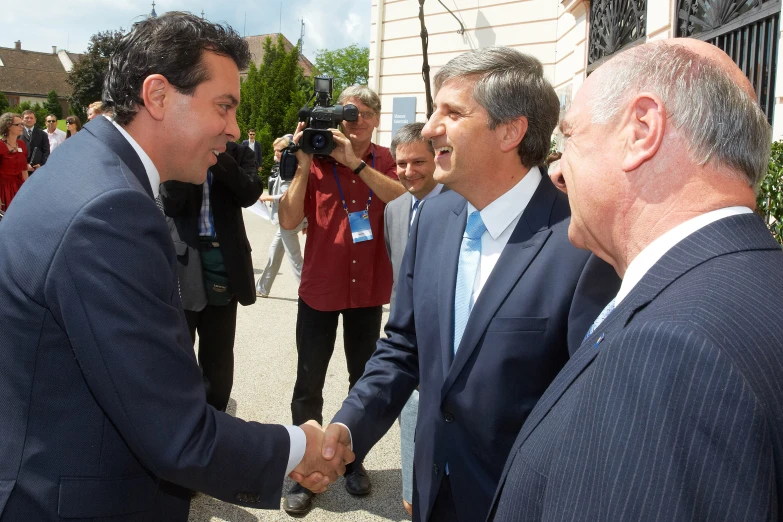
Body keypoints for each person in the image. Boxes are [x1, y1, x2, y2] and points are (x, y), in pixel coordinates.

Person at [0, 12, 351, 520]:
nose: (233, 130)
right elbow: (176, 431)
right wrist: (299, 447)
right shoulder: (109, 210)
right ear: (159, 95)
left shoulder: (87, 169)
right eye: (224, 107)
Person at [318, 47, 619, 522]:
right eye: (435, 109)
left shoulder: (582, 242)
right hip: (431, 491)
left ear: (511, 130)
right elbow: (403, 346)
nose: (431, 126)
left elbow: (594, 411)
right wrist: (348, 427)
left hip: (518, 503)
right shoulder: (433, 216)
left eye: (452, 112)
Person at [487, 39, 783, 521]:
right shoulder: (757, 284)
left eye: (569, 140)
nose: (557, 172)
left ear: (642, 129)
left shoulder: (669, 349)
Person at [277, 84, 406, 514]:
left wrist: (354, 162)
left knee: (362, 381)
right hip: (322, 286)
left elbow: (403, 201)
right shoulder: (312, 157)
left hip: (367, 288)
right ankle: (304, 470)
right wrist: (302, 165)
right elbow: (289, 220)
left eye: (365, 112)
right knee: (308, 383)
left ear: (376, 118)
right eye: (348, 112)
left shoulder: (385, 160)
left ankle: (354, 462)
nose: (356, 119)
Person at [160, 139, 262, 413]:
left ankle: (215, 419)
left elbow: (249, 193)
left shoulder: (239, 153)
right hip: (184, 261)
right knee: (178, 347)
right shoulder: (177, 149)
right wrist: (190, 153)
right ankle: (179, 415)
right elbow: (171, 202)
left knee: (218, 353)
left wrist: (218, 156)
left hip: (224, 261)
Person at [384, 121, 447, 516]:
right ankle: (411, 495)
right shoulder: (393, 210)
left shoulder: (461, 204)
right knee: (410, 418)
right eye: (401, 163)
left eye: (418, 162)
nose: (409, 171)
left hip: (446, 345)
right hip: (409, 344)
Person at [255, 140, 305, 298]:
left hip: (289, 221)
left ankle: (308, 291)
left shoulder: (289, 168)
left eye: (277, 151)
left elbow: (288, 196)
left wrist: (267, 197)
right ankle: (262, 288)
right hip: (287, 220)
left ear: (285, 152)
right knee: (274, 253)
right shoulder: (286, 167)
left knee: (295, 258)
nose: (275, 154)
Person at [0, 113, 31, 211]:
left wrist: (28, 189)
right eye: (18, 124)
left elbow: (24, 170)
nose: (22, 127)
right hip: (3, 189)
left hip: (19, 187)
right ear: (8, 126)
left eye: (22, 124)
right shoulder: (0, 146)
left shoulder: (21, 144)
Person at [19, 109, 50, 173]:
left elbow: (46, 152)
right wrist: (25, 165)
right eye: (27, 118)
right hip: (21, 170)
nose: (29, 120)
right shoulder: (17, 133)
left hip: (37, 170)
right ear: (22, 119)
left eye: (31, 118)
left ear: (35, 120)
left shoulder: (42, 134)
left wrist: (41, 164)